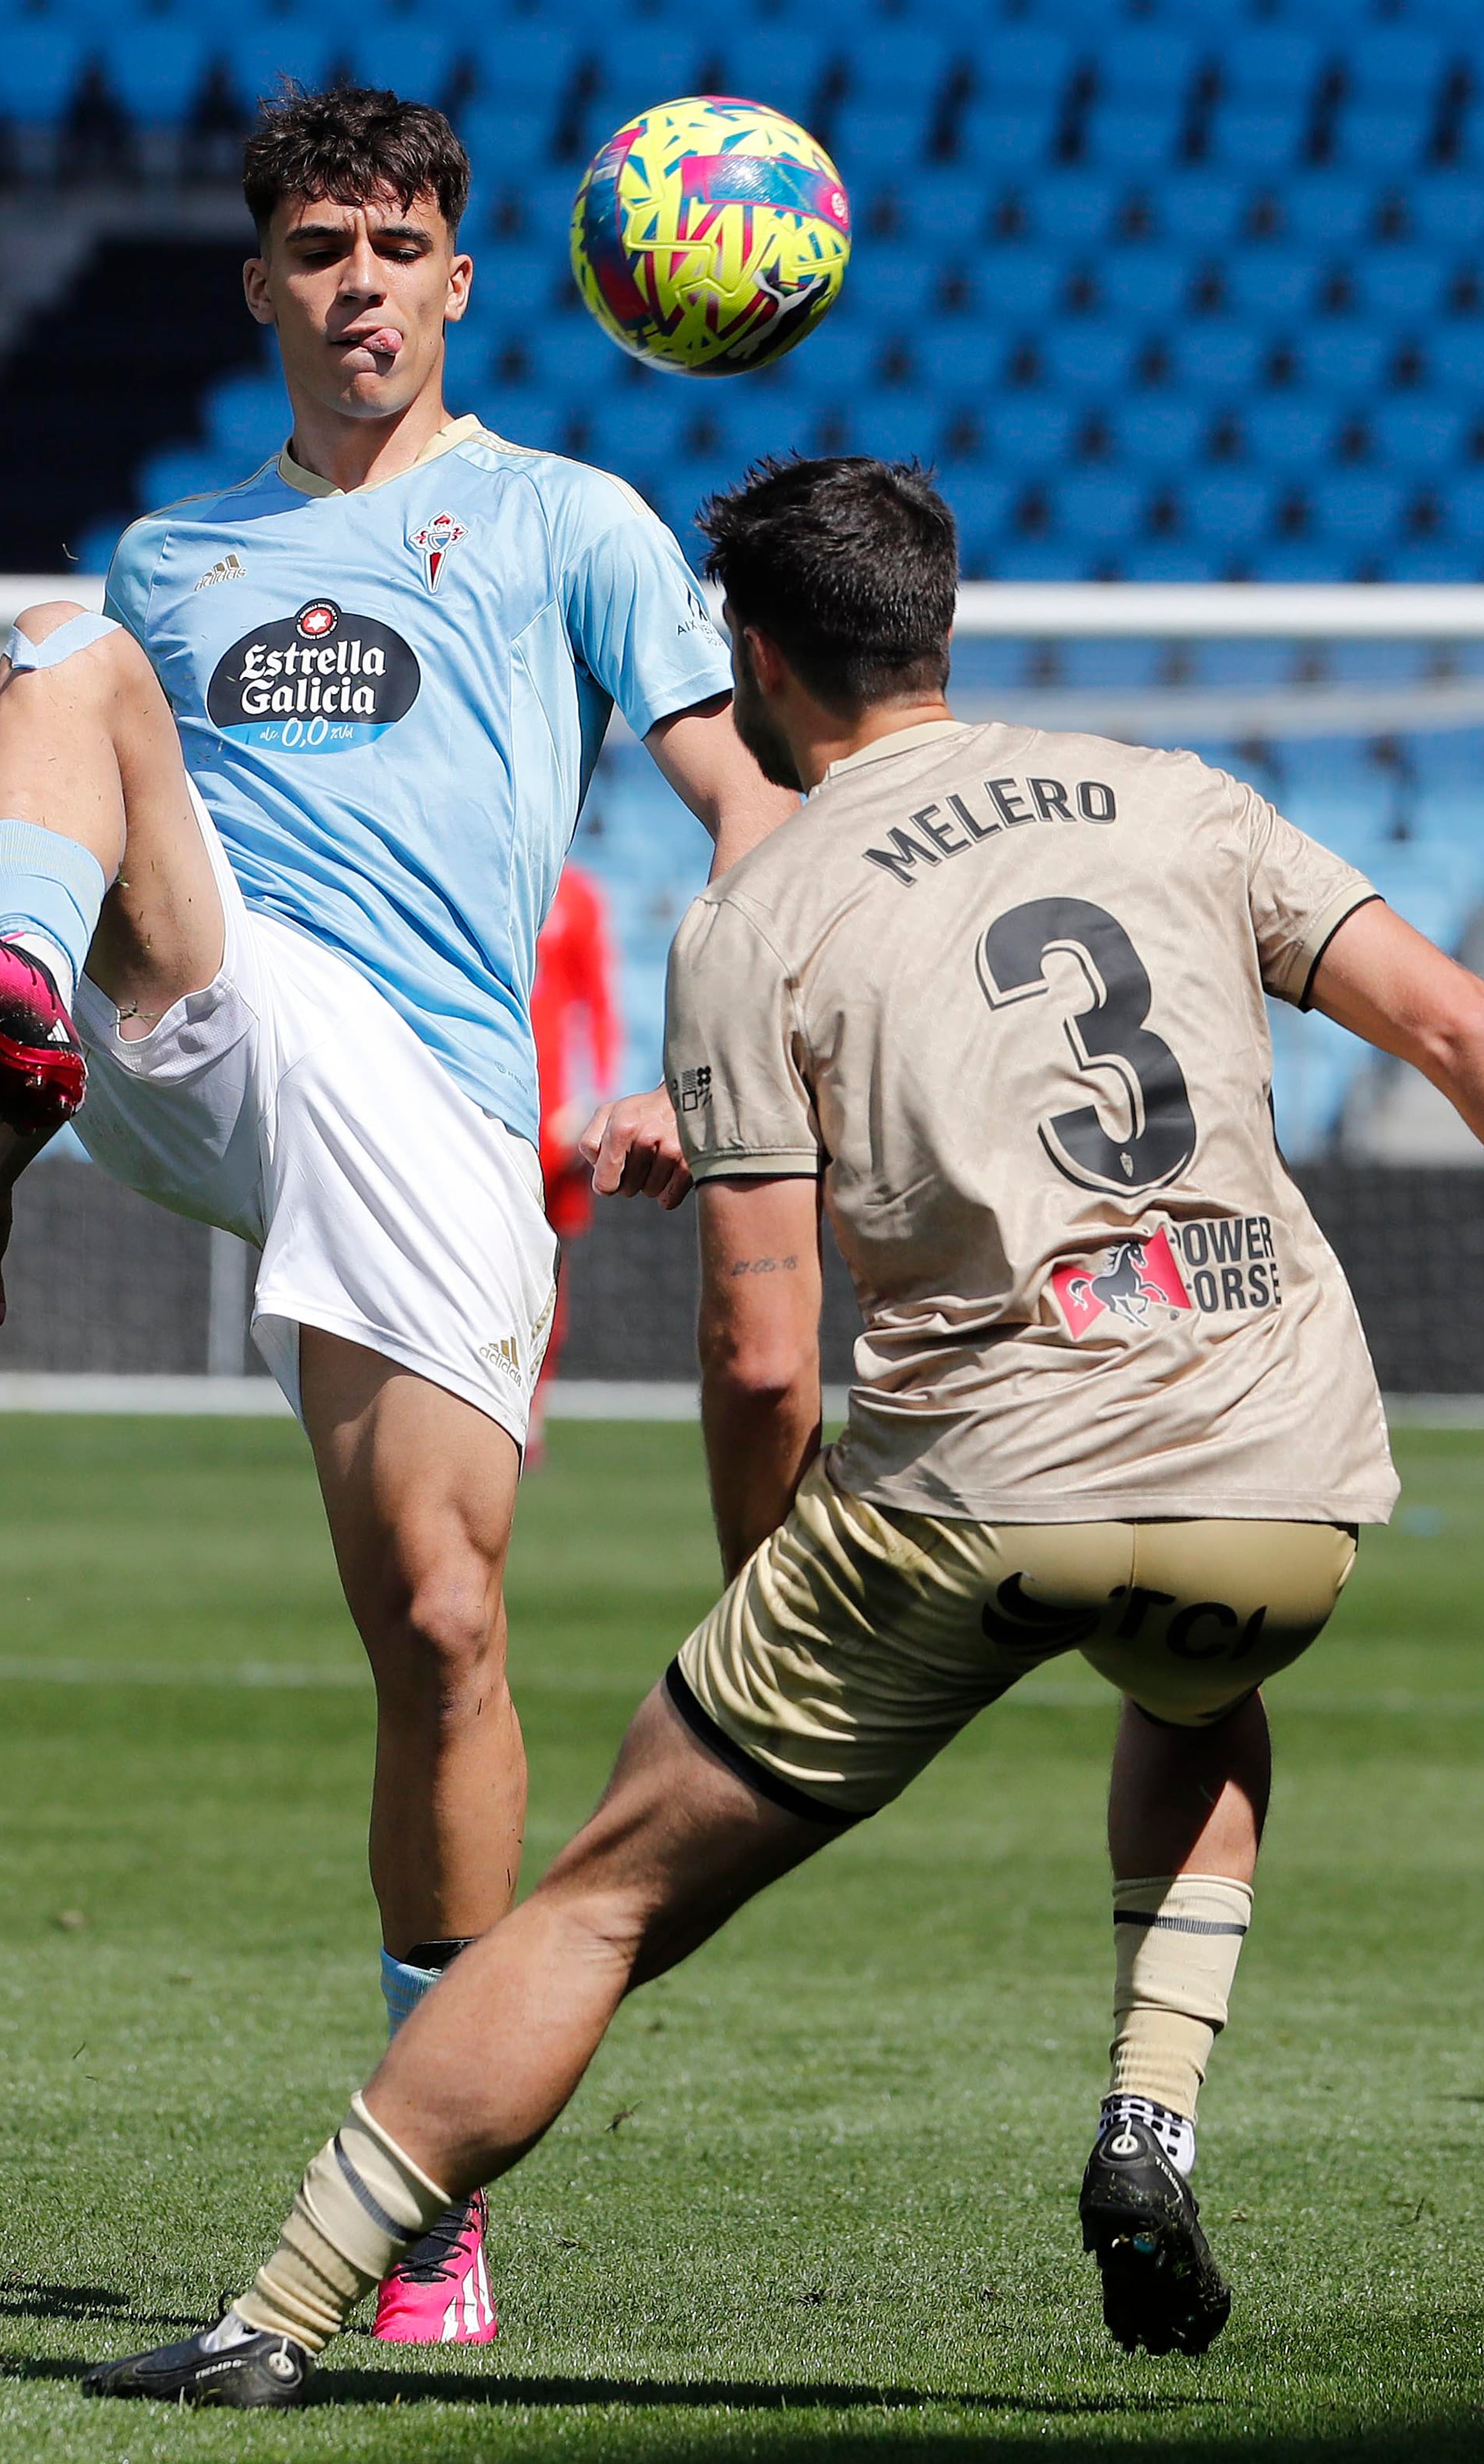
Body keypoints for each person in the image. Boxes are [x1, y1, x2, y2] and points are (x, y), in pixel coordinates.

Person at [82, 451, 1484, 2410]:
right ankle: (1148, 2116)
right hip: (1282, 1478)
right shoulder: (1180, 798)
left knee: (602, 1900)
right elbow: (1453, 1031)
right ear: (937, 614)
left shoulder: (761, 917)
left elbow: (761, 1351)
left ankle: (278, 2312)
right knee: (1195, 1692)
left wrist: (768, 1579)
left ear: (749, 656)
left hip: (966, 1495)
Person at [0, 85, 790, 2344]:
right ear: (259, 285)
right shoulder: (182, 559)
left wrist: (718, 1064)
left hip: (441, 1122)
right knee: (61, 645)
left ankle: (431, 2181)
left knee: (445, 1630)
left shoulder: (570, 519)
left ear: (461, 279)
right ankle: (4, 986)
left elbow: (751, 814)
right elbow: (123, 788)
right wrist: (1, 1134)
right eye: (316, 247)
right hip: (215, 1027)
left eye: (396, 243)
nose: (357, 279)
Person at [527, 860, 621, 1454]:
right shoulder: (481, 871)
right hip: (484, 1102)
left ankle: (532, 1404)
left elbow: (600, 1006)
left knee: (546, 1271)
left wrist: (593, 1098)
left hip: (555, 1118)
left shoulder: (578, 896)